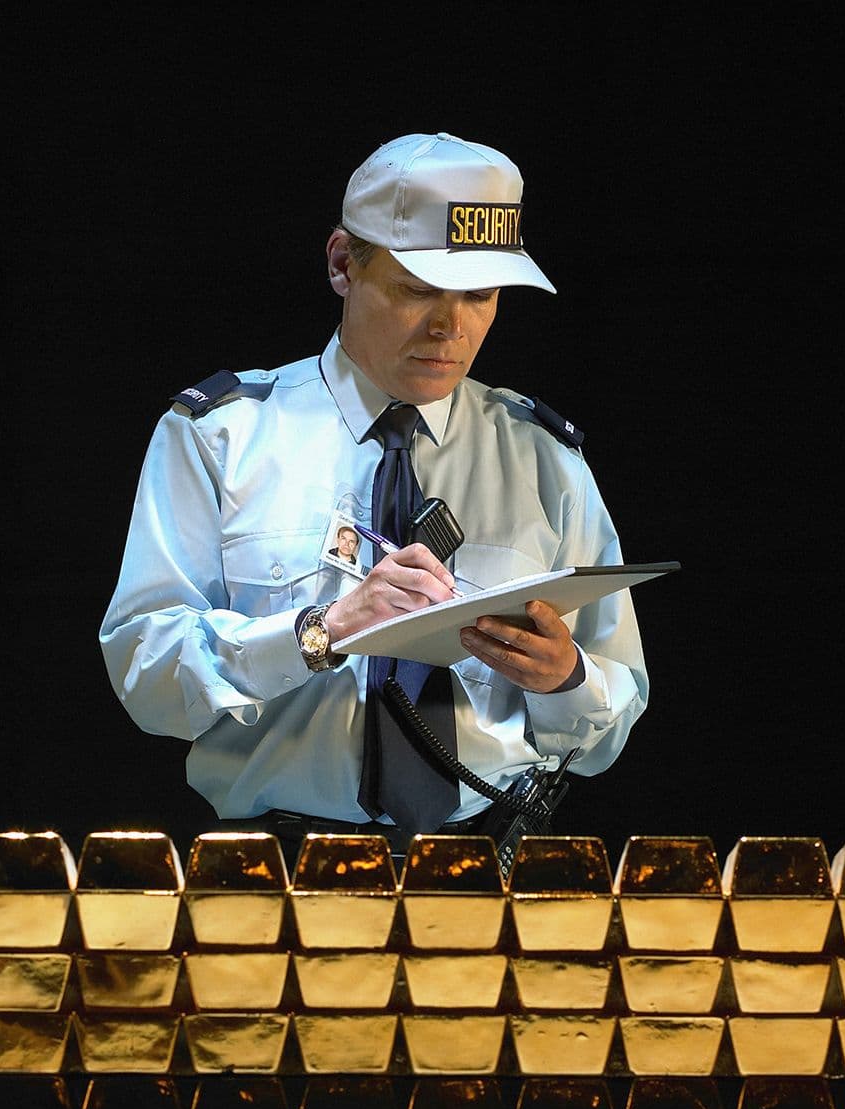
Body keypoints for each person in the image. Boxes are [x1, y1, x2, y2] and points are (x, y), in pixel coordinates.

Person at [98, 131, 649, 845]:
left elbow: (612, 723)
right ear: (341, 264)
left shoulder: (543, 459)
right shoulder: (221, 439)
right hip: (277, 870)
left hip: (481, 867)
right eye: (417, 289)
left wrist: (566, 680)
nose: (451, 325)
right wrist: (319, 633)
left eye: (480, 294)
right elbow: (148, 678)